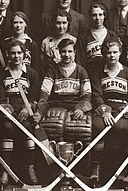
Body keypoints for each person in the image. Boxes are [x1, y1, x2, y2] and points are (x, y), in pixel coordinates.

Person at [34, 38, 92, 183]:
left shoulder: (81, 71)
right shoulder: (53, 69)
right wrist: (40, 111)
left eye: (69, 51)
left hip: (74, 106)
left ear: (75, 53)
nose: (66, 54)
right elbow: (45, 92)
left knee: (82, 129)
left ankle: (79, 170)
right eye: (63, 51)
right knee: (53, 127)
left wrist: (81, 108)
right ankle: (53, 170)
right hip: (56, 105)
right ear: (59, 53)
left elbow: (87, 94)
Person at [90, 37, 128, 185]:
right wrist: (105, 112)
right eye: (108, 52)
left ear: (120, 52)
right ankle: (96, 167)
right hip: (105, 109)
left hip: (122, 109)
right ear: (104, 54)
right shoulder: (98, 71)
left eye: (115, 52)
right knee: (97, 126)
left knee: (122, 129)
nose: (112, 55)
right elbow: (96, 95)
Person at [0, 39, 40, 187]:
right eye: (13, 53)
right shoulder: (2, 73)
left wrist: (27, 109)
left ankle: (30, 167)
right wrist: (7, 109)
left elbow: (33, 98)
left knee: (27, 127)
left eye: (19, 53)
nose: (16, 56)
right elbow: (0, 97)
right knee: (7, 128)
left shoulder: (31, 73)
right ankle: (5, 170)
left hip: (24, 109)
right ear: (7, 54)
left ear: (24, 54)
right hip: (8, 109)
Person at [76, 2, 118, 75]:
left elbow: (118, 57)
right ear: (90, 17)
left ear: (104, 16)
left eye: (100, 15)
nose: (97, 18)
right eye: (94, 15)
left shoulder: (112, 35)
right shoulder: (83, 36)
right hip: (90, 73)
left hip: (109, 73)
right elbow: (80, 60)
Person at [41, 10, 76, 78]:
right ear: (53, 23)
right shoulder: (46, 42)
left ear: (68, 23)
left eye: (64, 23)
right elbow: (43, 66)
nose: (61, 26)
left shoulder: (74, 41)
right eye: (58, 23)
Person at [4, 11, 41, 76]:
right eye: (15, 22)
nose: (18, 25)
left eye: (21, 22)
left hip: (28, 77)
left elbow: (36, 65)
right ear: (11, 25)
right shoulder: (6, 43)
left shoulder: (31, 44)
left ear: (25, 24)